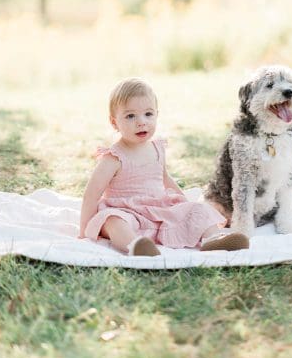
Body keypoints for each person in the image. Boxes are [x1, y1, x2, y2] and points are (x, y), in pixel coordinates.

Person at [79, 77, 249, 256]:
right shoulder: (113, 157)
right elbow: (91, 194)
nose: (141, 122)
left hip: (158, 210)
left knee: (198, 209)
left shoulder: (156, 148)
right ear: (114, 122)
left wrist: (184, 204)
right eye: (130, 116)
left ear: (157, 115)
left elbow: (164, 178)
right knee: (112, 220)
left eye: (148, 114)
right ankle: (135, 245)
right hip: (127, 213)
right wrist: (83, 231)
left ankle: (213, 239)